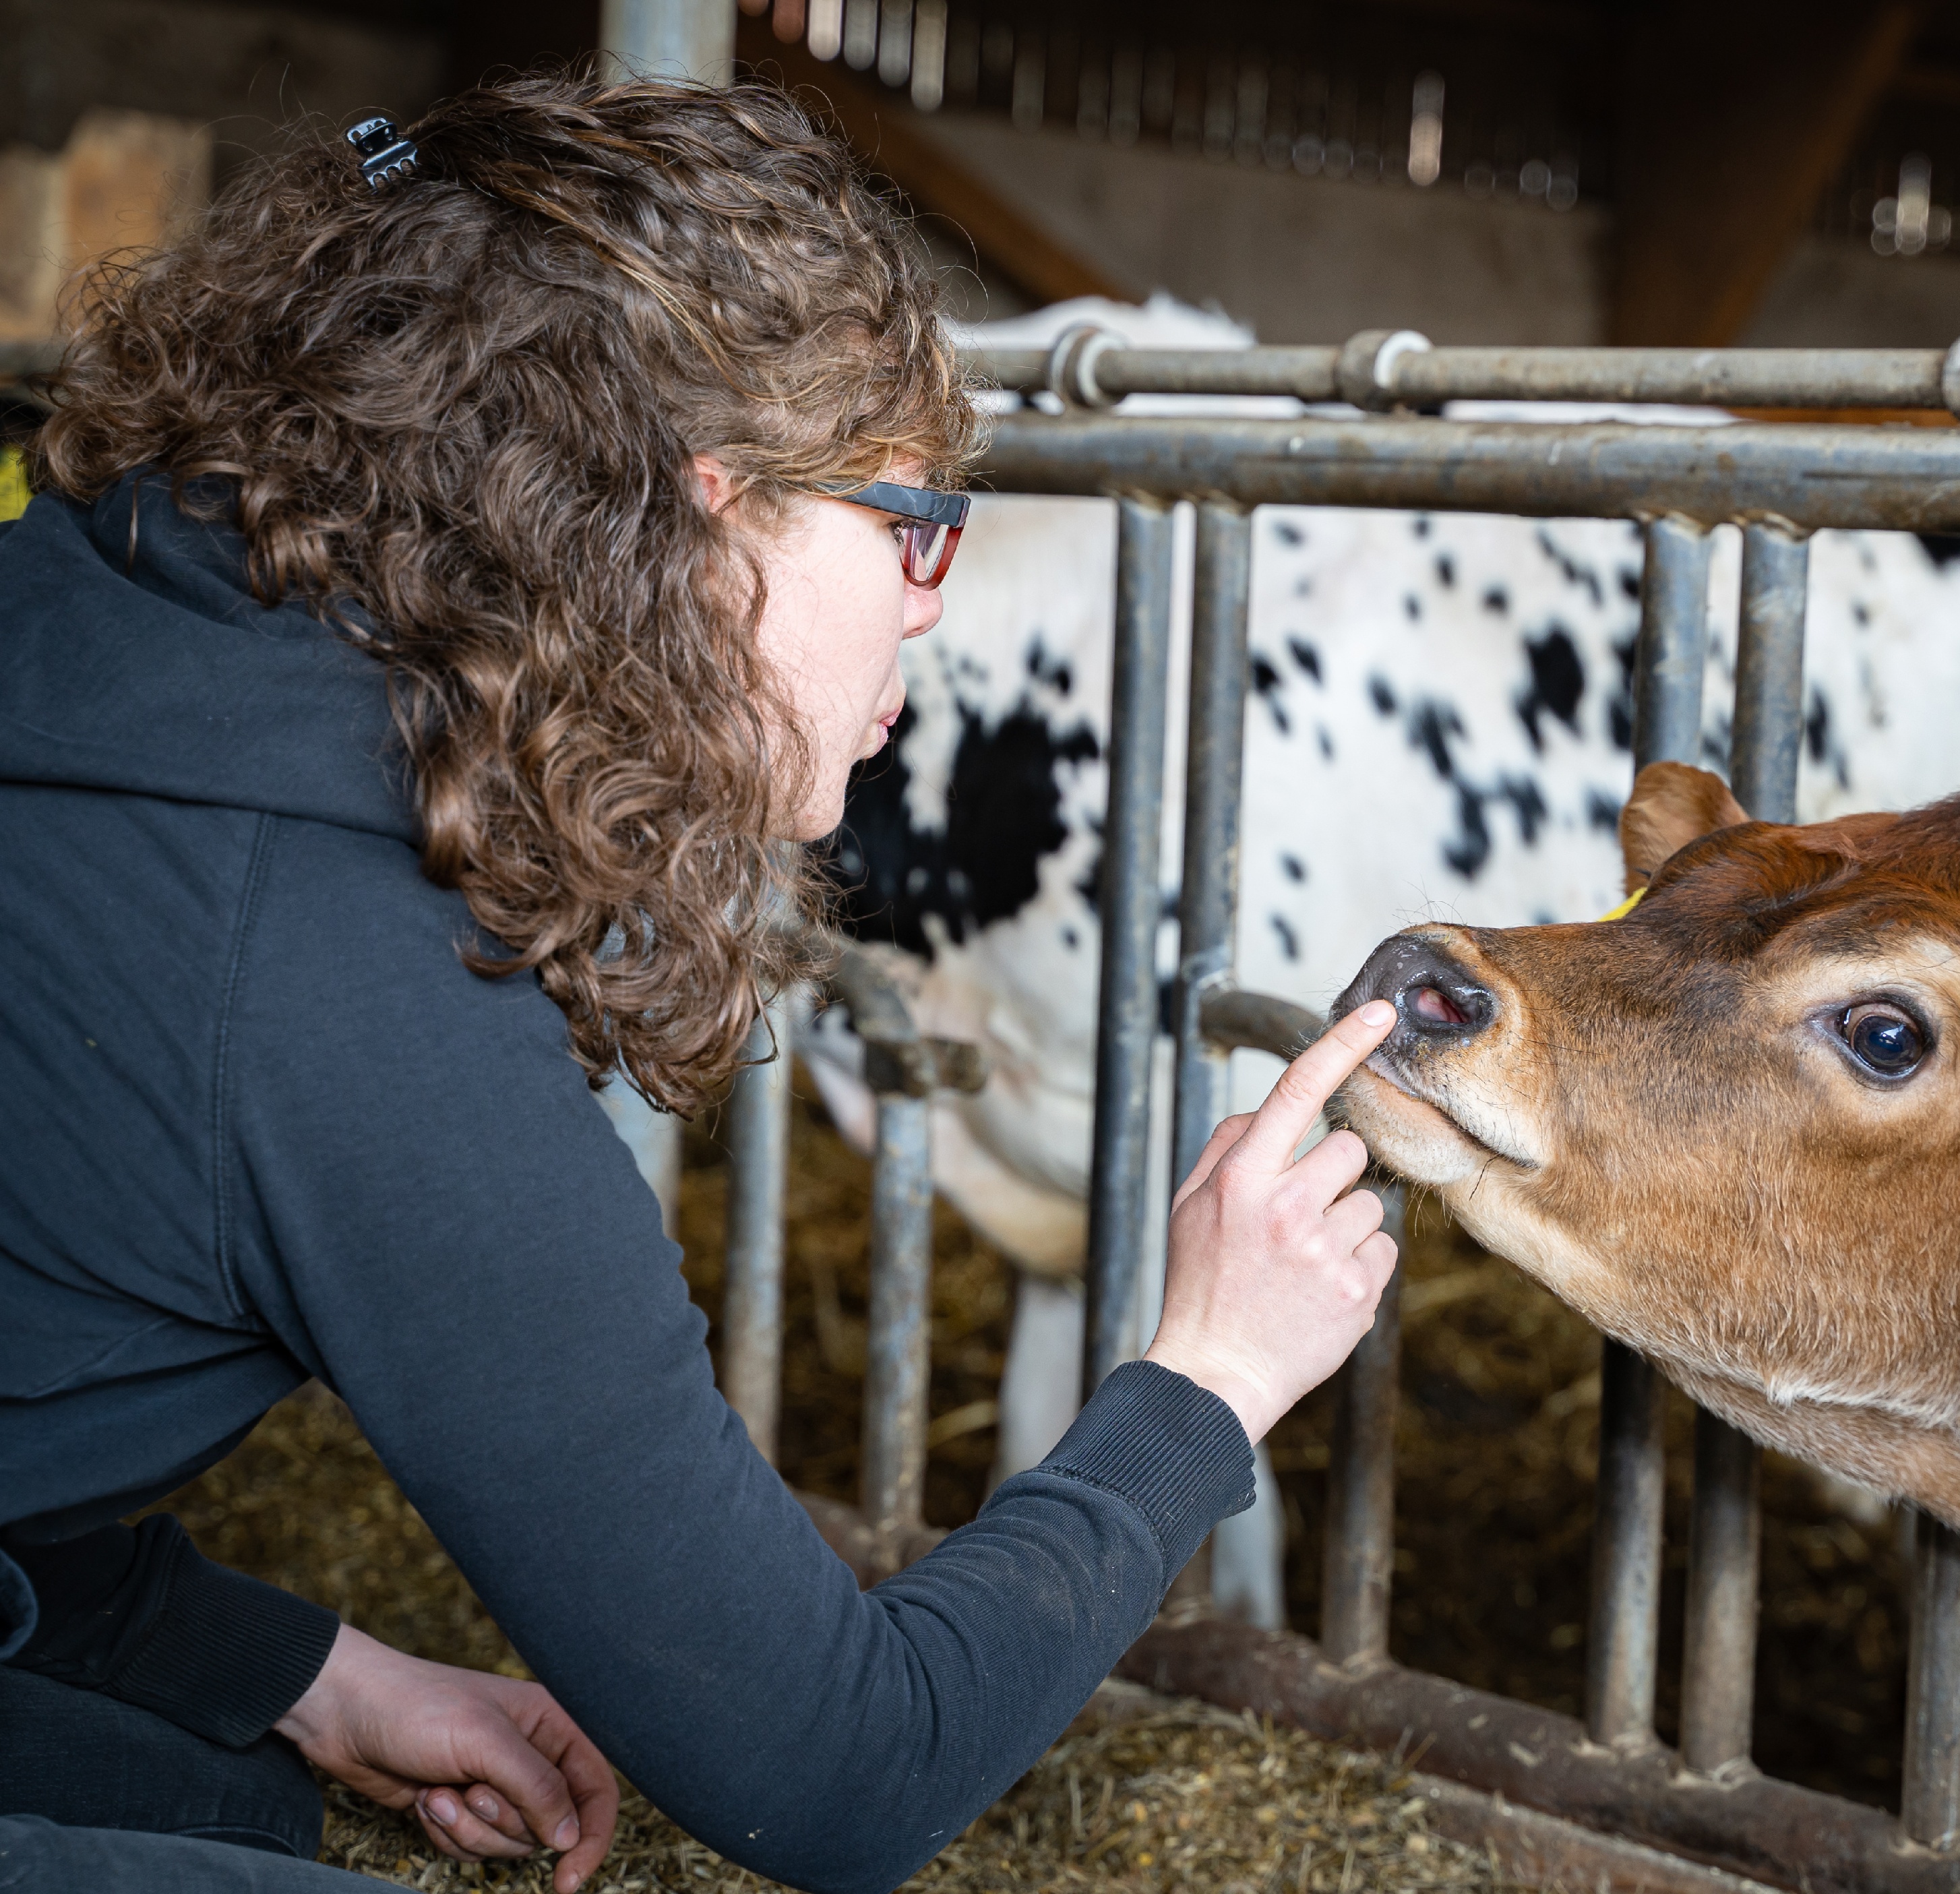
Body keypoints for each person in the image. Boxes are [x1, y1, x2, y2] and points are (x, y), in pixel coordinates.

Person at [0, 73, 1399, 1893]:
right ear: (705, 517)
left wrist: (295, 1671)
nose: (930, 605)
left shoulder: (112, 628)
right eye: (912, 524)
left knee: (224, 1803)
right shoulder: (352, 971)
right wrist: (1206, 1375)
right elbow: (839, 1766)